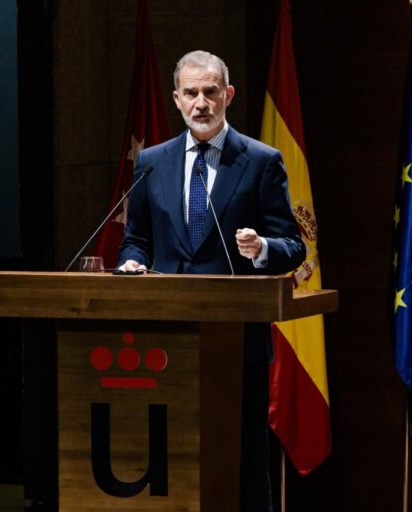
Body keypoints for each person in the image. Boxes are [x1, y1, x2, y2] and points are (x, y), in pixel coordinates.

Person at [117, 50, 305, 512]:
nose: (202, 103)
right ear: (177, 99)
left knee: (240, 457)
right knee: (168, 452)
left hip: (236, 340)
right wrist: (131, 264)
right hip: (166, 338)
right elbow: (136, 239)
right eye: (192, 93)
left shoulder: (261, 161)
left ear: (228, 96)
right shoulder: (152, 162)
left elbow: (294, 246)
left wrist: (261, 248)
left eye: (211, 92)